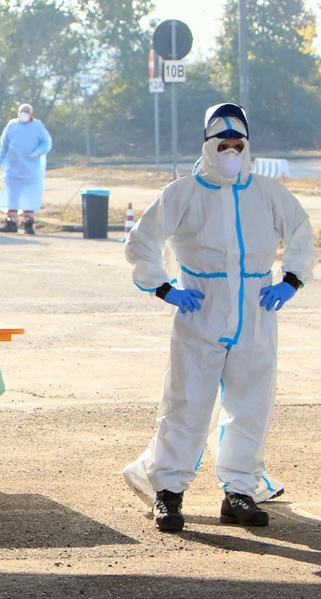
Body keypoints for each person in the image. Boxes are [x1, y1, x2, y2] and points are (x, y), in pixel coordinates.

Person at [122, 103, 316, 532]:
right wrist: (164, 286)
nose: (231, 151)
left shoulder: (268, 193)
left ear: (248, 147)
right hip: (201, 309)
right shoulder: (182, 193)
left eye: (238, 144)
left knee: (249, 407)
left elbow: (302, 232)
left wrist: (292, 279)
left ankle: (239, 492)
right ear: (208, 146)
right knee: (186, 404)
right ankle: (168, 494)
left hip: (256, 309)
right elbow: (142, 240)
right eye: (222, 144)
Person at [0, 104, 51, 234]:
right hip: (13, 169)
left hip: (31, 170)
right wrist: (0, 161)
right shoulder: (12, 126)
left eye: (26, 112)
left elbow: (46, 142)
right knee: (12, 197)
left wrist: (38, 151)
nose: (23, 114)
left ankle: (28, 224)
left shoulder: (37, 126)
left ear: (31, 114)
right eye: (21, 111)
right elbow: (4, 145)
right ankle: (11, 223)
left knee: (30, 197)